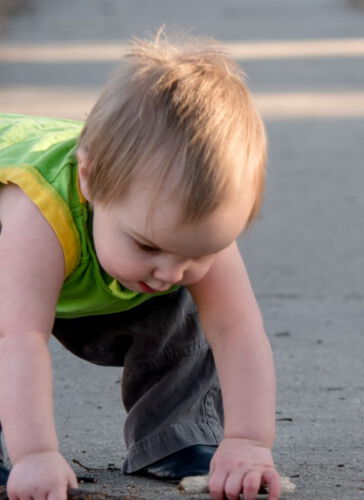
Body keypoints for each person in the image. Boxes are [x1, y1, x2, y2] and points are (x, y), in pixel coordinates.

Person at [0, 32, 282, 500]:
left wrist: (249, 442)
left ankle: (178, 434)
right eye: (148, 245)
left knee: (179, 305)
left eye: (198, 252)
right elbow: (20, 338)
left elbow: (237, 331)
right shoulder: (39, 215)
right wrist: (36, 454)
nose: (171, 270)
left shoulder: (186, 230)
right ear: (89, 182)